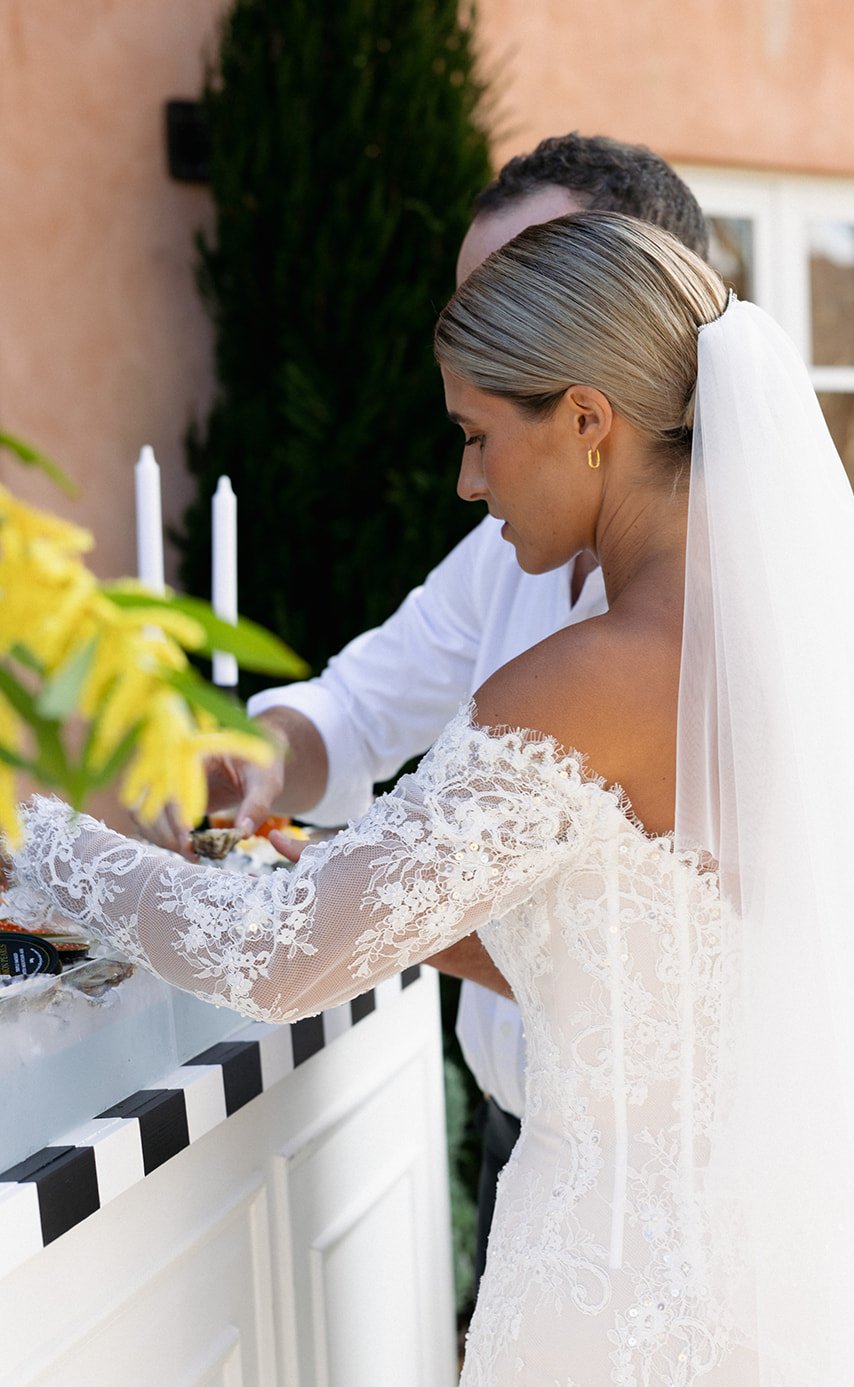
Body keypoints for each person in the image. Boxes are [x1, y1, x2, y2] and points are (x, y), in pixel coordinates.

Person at [7, 211, 854, 1387]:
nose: (467, 482)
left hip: (608, 1352)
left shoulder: (567, 685)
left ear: (588, 421)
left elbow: (281, 957)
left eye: (481, 433)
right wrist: (556, 950)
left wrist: (39, 844)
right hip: (823, 1343)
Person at [143, 132, 713, 1291]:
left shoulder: (694, 642)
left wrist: (39, 847)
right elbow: (356, 706)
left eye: (520, 304)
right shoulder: (510, 556)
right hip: (533, 1142)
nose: (480, 349)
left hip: (694, 1193)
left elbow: (286, 953)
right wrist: (255, 766)